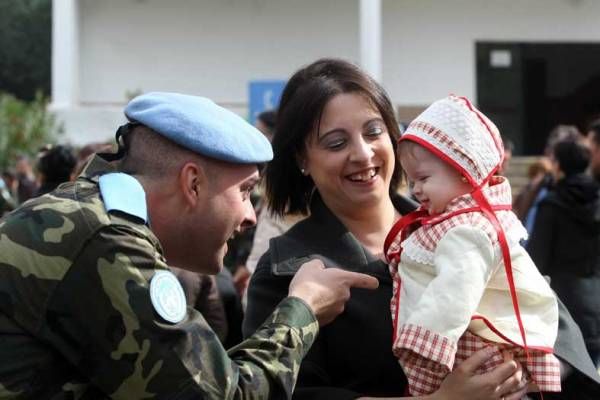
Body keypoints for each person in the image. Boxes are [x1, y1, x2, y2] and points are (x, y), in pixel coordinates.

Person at [0, 91, 382, 398]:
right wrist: (304, 309)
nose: (250, 215)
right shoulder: (104, 240)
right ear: (193, 184)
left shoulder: (88, 214)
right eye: (246, 191)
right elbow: (222, 393)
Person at [243, 58, 530, 400]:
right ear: (301, 159)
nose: (363, 154)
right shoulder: (285, 270)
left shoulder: (472, 226)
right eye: (336, 143)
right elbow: (286, 394)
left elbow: (548, 321)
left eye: (373, 132)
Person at [385, 95, 560, 396]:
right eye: (412, 181)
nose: (415, 190)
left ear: (465, 171)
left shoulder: (467, 229)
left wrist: (424, 342)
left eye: (423, 178)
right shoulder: (458, 221)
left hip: (469, 349)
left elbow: (454, 292)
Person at [527, 139, 600, 369]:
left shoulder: (552, 204)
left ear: (559, 165)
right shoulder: (597, 200)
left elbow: (536, 260)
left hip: (562, 305)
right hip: (595, 298)